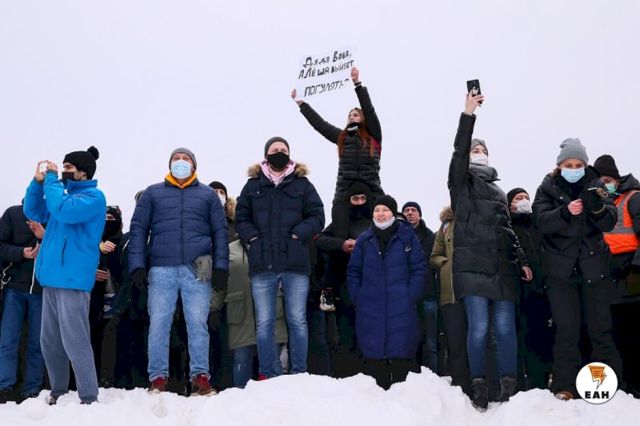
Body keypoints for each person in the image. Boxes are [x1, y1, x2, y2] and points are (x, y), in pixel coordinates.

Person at [448, 94, 532, 410]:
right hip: (472, 268)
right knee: (480, 329)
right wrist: (468, 114)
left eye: (483, 150)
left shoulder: (499, 190)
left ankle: (508, 385)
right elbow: (458, 151)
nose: (479, 153)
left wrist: (521, 261)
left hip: (502, 268)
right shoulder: (461, 184)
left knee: (505, 329)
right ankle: (479, 385)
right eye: (475, 150)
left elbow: (507, 230)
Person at [128, 148, 229, 396]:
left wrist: (221, 267)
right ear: (169, 164)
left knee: (198, 323)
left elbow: (220, 232)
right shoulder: (153, 193)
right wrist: (137, 265)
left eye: (186, 159)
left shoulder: (207, 195)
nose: (180, 162)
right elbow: (138, 228)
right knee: (159, 323)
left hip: (197, 269)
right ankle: (157, 377)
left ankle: (200, 377)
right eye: (176, 159)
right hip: (162, 268)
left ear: (194, 165)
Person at [532, 139, 622, 400]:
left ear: (585, 165)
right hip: (560, 272)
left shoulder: (597, 186)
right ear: (560, 166)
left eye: (578, 164)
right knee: (566, 330)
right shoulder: (546, 188)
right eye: (568, 165)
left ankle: (606, 385)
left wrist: (596, 208)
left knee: (600, 329)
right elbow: (541, 221)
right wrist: (564, 212)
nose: (573, 169)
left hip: (594, 269)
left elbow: (609, 220)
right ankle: (565, 386)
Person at [235, 137, 325, 378]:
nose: (279, 152)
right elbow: (241, 218)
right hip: (262, 264)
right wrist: (253, 239)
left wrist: (298, 234)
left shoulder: (303, 184)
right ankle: (269, 373)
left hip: (295, 264)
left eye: (284, 149)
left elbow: (317, 216)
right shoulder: (252, 186)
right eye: (275, 149)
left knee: (297, 320)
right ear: (266, 155)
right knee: (264, 322)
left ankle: (298, 372)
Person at [23, 146, 106, 405]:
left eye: (69, 168)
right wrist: (37, 183)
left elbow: (63, 210)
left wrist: (51, 179)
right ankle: (58, 391)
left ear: (83, 172)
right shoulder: (62, 196)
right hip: (51, 279)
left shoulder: (93, 197)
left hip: (73, 280)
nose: (63, 172)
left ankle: (89, 396)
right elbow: (33, 211)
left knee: (75, 339)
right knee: (49, 341)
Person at [292, 67, 382, 240]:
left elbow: (369, 110)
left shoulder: (374, 137)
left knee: (382, 228)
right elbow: (320, 124)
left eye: (355, 115)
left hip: (372, 189)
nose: (352, 117)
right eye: (349, 115)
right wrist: (301, 103)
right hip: (344, 192)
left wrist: (357, 84)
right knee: (340, 234)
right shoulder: (342, 137)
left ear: (362, 118)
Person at [346, 195, 426, 390]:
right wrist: (358, 296)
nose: (380, 214)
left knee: (400, 349)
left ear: (393, 213)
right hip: (370, 304)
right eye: (377, 210)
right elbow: (354, 271)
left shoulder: (407, 236)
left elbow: (419, 269)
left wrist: (410, 294)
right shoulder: (364, 239)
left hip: (401, 303)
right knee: (373, 354)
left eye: (385, 210)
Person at [592, 154, 640, 395]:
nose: (605, 184)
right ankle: (622, 384)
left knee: (634, 329)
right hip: (608, 271)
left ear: (617, 179)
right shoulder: (599, 205)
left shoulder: (633, 198)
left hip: (632, 270)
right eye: (600, 180)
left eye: (608, 180)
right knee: (615, 331)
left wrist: (636, 267)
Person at [316, 181, 373, 377]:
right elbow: (320, 240)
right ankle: (347, 375)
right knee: (345, 332)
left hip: (370, 285)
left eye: (363, 198)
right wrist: (342, 244)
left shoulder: (374, 222)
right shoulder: (340, 223)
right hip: (343, 284)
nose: (359, 202)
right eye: (355, 199)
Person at [216, 238, 288, 387]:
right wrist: (213, 308)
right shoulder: (229, 250)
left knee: (274, 361)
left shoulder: (275, 244)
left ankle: (278, 400)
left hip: (272, 313)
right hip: (241, 315)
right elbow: (220, 283)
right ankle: (241, 400)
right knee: (241, 361)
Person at [506, 188, 553, 391]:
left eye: (526, 197)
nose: (524, 200)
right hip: (518, 290)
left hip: (542, 290)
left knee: (542, 336)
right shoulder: (507, 226)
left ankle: (541, 380)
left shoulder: (537, 225)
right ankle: (521, 382)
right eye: (519, 198)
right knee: (521, 335)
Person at [0, 204, 45, 403]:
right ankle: (4, 387)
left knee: (38, 343)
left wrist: (44, 237)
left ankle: (32, 389)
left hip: (43, 290)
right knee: (8, 340)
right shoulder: (13, 214)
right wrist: (21, 253)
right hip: (14, 287)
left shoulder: (55, 214)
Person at [430, 206, 471, 396]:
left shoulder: (477, 218)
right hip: (451, 293)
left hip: (475, 290)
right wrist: (446, 264)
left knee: (478, 337)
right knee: (455, 341)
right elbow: (434, 256)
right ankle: (460, 384)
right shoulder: (445, 226)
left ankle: (481, 380)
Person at [402, 201, 437, 373]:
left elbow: (427, 261)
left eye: (413, 210)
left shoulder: (430, 236)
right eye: (406, 210)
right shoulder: (398, 235)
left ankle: (432, 376)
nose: (409, 213)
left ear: (419, 214)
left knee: (430, 340)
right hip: (405, 295)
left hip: (427, 293)